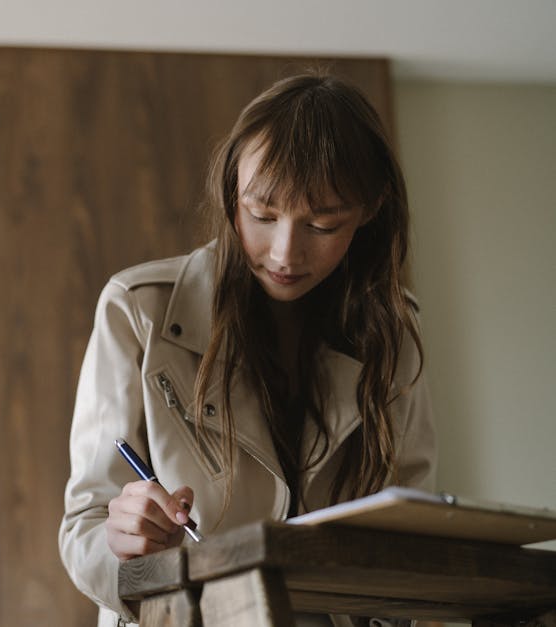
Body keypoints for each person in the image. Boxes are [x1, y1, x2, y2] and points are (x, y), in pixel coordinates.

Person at [58, 73, 437, 626]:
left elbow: (411, 531)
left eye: (322, 224)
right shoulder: (136, 310)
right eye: (261, 215)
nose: (285, 251)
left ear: (371, 208)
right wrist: (124, 541)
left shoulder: (393, 333)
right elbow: (85, 526)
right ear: (231, 188)